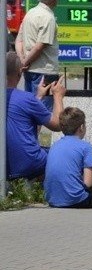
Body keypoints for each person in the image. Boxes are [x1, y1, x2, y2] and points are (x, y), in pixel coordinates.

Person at [5, 52, 66, 181]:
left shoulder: (26, 100)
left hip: (5, 166)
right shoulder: (26, 99)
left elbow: (26, 128)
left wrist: (38, 97)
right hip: (28, 164)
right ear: (19, 73)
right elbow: (58, 125)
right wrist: (58, 96)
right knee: (65, 154)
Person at [19, 0, 61, 106]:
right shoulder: (48, 18)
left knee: (31, 109)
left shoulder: (30, 13)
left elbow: (19, 39)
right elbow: (40, 46)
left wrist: (22, 60)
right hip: (45, 70)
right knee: (42, 113)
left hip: (30, 70)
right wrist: (24, 63)